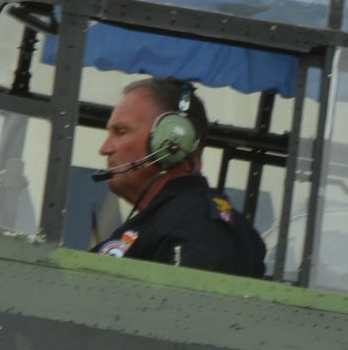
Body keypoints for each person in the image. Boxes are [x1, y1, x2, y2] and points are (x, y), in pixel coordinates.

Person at [91, 77, 267, 277]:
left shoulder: (199, 226)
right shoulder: (169, 219)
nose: (104, 149)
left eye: (121, 132)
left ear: (172, 142)